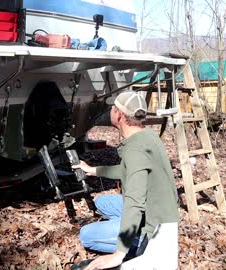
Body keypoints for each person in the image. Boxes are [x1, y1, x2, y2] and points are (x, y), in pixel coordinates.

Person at [72, 90, 179, 269]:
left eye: (113, 108)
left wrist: (118, 254)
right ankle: (125, 228)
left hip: (156, 223)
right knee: (102, 202)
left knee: (86, 235)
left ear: (120, 115)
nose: (111, 111)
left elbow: (135, 203)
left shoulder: (135, 150)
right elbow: (127, 170)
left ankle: (136, 240)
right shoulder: (147, 135)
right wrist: (93, 170)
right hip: (156, 207)